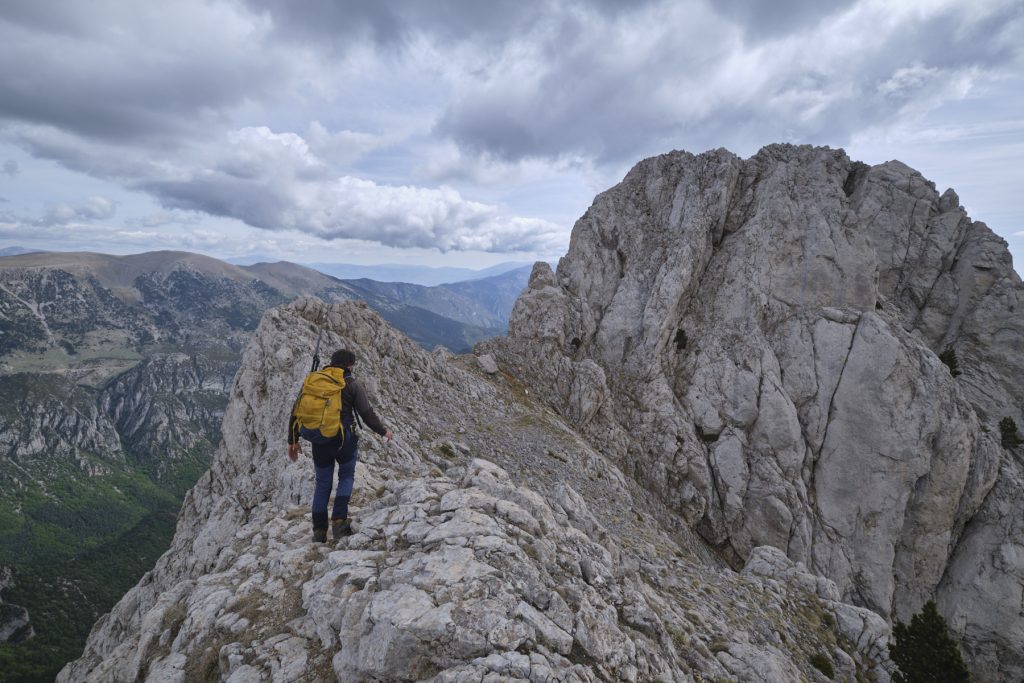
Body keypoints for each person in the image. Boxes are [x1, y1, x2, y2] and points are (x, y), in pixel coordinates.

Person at [288, 349, 392, 543]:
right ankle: (339, 523)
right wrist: (383, 431)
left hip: (319, 442)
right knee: (346, 475)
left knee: (322, 483)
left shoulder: (314, 381)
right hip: (344, 441)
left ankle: (319, 531)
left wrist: (292, 441)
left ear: (332, 362)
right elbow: (366, 414)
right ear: (350, 365)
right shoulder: (352, 384)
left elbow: (296, 413)